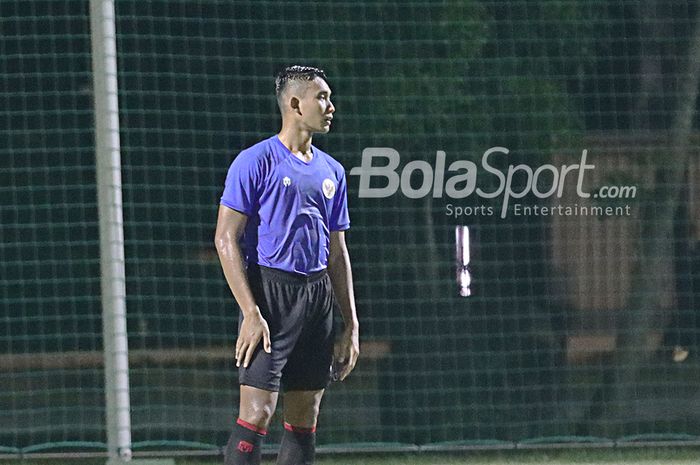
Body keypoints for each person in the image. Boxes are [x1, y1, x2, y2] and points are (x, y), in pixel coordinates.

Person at [214, 65, 359, 465]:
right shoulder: (254, 161)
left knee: (305, 416)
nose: (331, 106)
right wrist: (249, 312)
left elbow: (337, 251)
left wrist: (351, 321)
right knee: (257, 413)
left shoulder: (332, 171)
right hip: (269, 296)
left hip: (317, 298)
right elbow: (225, 238)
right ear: (295, 104)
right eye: (322, 98)